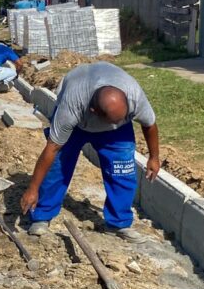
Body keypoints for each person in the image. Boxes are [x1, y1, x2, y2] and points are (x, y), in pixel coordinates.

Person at [19, 62, 161, 241]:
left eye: (122, 117)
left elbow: (149, 124)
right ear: (94, 111)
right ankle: (41, 215)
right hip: (78, 123)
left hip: (116, 132)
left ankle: (119, 223)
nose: (114, 124)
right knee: (58, 168)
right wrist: (33, 188)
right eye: (111, 121)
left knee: (122, 170)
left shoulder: (134, 96)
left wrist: (154, 157)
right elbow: (52, 148)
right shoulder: (71, 107)